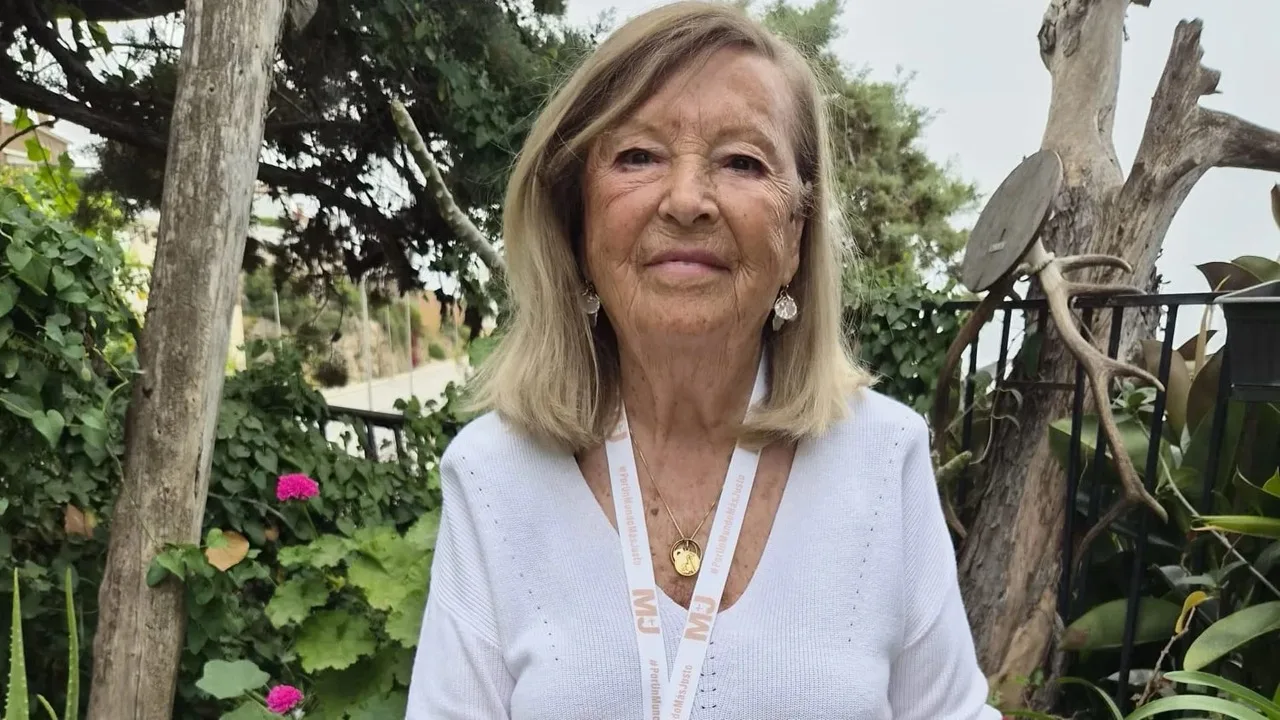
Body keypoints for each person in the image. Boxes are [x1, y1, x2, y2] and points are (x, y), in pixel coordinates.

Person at [406, 2, 1000, 718]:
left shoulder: (882, 458)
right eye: (639, 156)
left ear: (795, 234)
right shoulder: (494, 475)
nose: (687, 201)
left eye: (742, 161)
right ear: (578, 220)